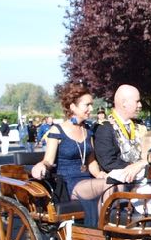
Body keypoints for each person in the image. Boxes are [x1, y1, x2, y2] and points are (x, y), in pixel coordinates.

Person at [30, 82, 110, 228]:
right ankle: (97, 233)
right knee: (111, 186)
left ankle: (101, 233)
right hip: (69, 184)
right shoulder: (57, 130)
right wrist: (41, 165)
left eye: (91, 104)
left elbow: (91, 162)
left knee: (117, 184)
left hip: (88, 181)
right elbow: (48, 160)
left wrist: (100, 174)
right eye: (87, 105)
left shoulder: (88, 130)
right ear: (73, 107)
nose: (91, 109)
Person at [94, 84, 151, 215]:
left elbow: (150, 152)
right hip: (123, 184)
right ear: (124, 103)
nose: (140, 105)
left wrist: (141, 165)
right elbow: (108, 163)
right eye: (137, 101)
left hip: (145, 177)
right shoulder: (105, 128)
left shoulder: (139, 125)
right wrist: (136, 167)